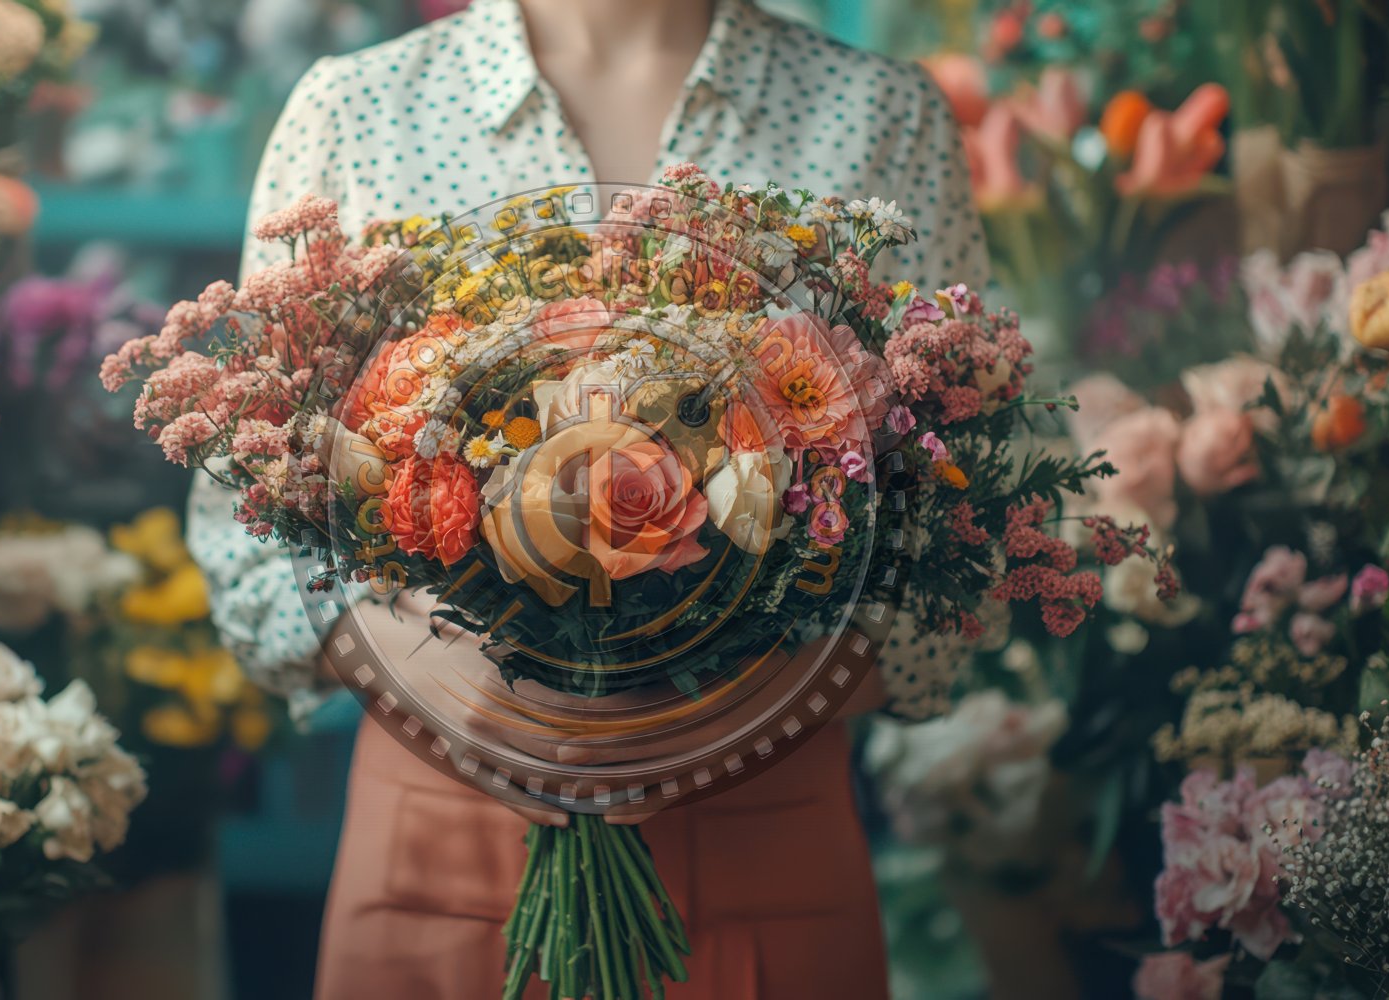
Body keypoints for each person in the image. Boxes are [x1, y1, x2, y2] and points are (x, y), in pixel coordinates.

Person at [188, 1, 988, 995]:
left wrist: (728, 716)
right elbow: (249, 527)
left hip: (764, 828)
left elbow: (970, 510)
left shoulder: (879, 112)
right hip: (434, 830)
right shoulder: (357, 107)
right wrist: (441, 688)